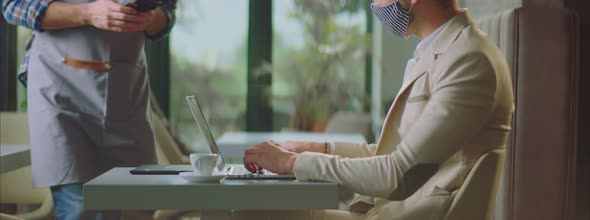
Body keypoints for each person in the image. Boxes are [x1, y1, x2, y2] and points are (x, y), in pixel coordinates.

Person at [241, 0, 514, 219]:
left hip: (412, 212)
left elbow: (397, 175)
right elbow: (394, 155)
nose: (376, 4)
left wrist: (291, 163)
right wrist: (314, 148)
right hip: (395, 210)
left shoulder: (468, 60)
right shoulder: (442, 53)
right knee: (250, 212)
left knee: (250, 215)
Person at [2, 0, 176, 219]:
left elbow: (167, 12)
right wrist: (88, 13)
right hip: (60, 88)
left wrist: (151, 18)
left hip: (126, 89)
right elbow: (13, 6)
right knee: (79, 205)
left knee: (135, 206)